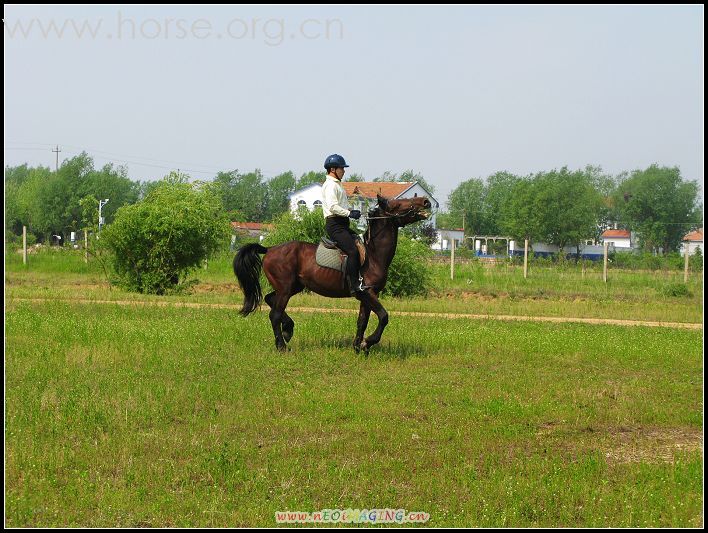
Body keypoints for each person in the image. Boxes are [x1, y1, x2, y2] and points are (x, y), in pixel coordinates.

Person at [321, 154, 369, 294]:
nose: (344, 170)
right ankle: (353, 285)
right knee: (352, 251)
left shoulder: (337, 185)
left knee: (360, 242)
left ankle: (360, 278)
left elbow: (341, 206)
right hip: (335, 225)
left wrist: (352, 212)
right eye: (342, 168)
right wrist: (349, 213)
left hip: (342, 224)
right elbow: (333, 207)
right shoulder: (330, 185)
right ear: (333, 169)